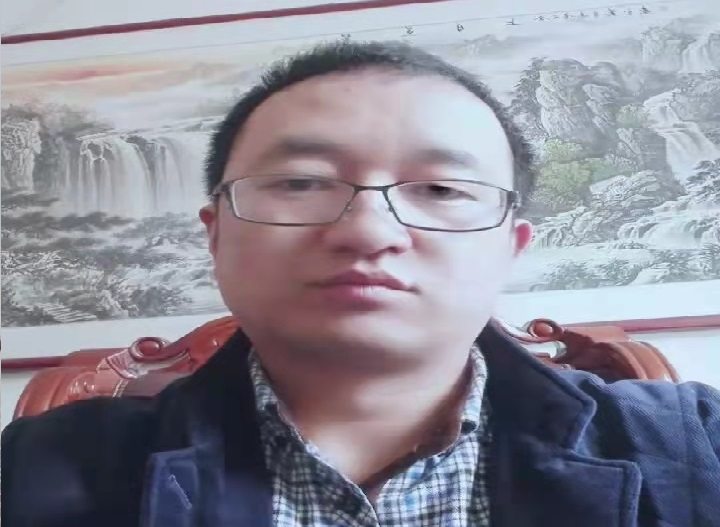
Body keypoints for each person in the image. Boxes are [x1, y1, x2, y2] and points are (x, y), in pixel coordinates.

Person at [2, 41, 719, 527]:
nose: (370, 231)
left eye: (441, 188)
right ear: (215, 236)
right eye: (300, 182)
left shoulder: (694, 447)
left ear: (511, 245)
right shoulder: (34, 470)